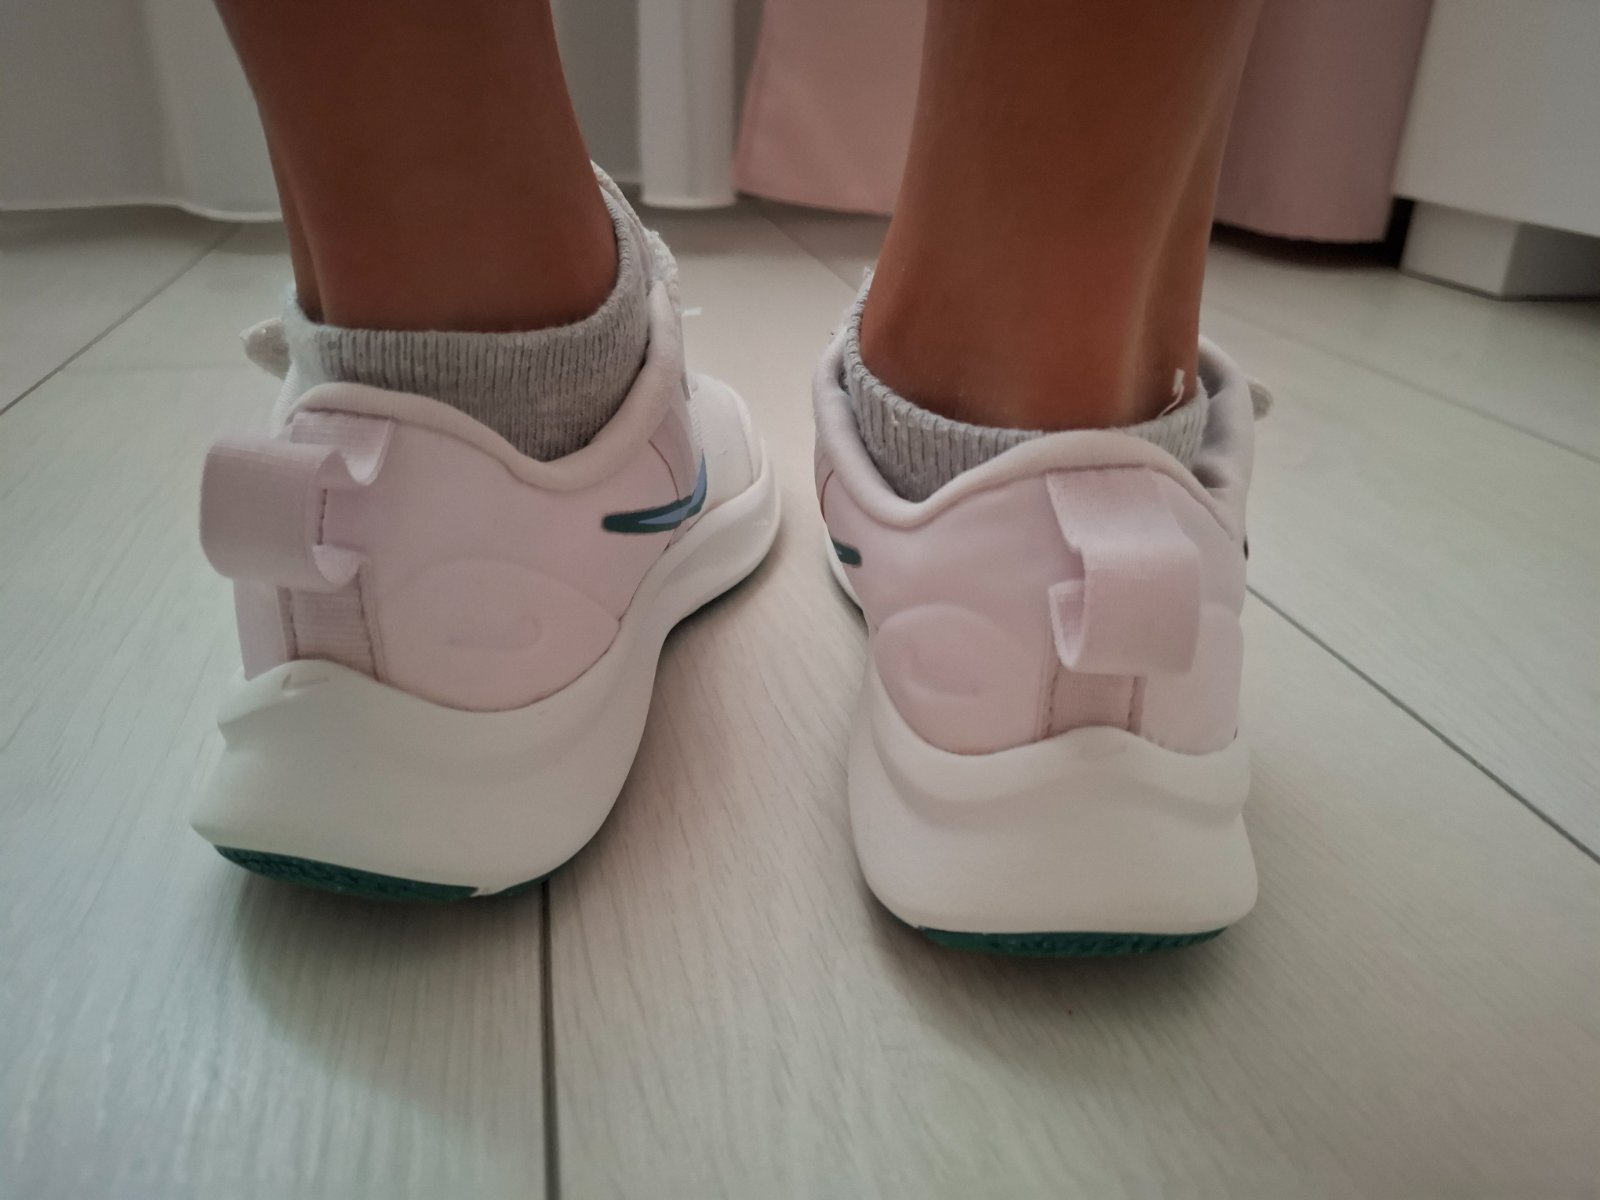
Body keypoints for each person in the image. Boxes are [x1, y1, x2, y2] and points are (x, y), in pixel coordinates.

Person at [192, 0, 1266, 953]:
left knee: (418, 233)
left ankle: (474, 377)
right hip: (1168, 634)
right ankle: (1017, 414)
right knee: (1058, 334)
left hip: (308, 561)